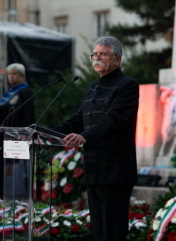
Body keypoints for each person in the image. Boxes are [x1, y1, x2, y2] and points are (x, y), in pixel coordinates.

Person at [52, 36, 139, 241]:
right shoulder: (92, 86)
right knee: (98, 231)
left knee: (112, 231)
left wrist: (83, 137)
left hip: (116, 169)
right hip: (94, 167)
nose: (97, 57)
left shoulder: (127, 85)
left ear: (117, 59)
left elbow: (112, 120)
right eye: (95, 54)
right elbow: (78, 119)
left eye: (103, 54)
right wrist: (48, 133)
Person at [0, 63, 35, 199]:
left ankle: (18, 195)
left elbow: (27, 116)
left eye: (14, 74)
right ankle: (6, 193)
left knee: (16, 168)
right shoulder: (8, 93)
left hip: (18, 138)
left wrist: (25, 136)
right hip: (6, 137)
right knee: (6, 167)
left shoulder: (24, 92)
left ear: (22, 76)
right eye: (9, 74)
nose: (11, 77)